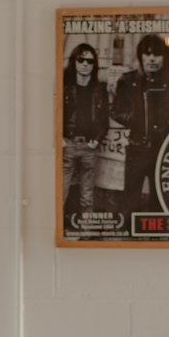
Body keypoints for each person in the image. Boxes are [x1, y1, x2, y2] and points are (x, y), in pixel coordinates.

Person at [108, 34, 169, 208]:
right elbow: (115, 110)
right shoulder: (128, 80)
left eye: (157, 54)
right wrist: (136, 119)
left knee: (160, 198)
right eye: (147, 54)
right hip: (137, 148)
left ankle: (156, 233)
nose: (151, 59)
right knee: (130, 199)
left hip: (165, 150)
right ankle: (130, 232)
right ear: (140, 56)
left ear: (165, 57)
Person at [62, 42, 110, 218]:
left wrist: (96, 140)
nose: (85, 64)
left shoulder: (100, 89)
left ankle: (86, 228)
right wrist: (61, 138)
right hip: (67, 144)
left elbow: (104, 118)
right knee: (61, 192)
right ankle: (58, 229)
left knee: (87, 194)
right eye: (81, 60)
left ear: (94, 64)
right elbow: (54, 112)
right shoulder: (64, 86)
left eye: (89, 61)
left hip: (89, 147)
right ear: (74, 61)